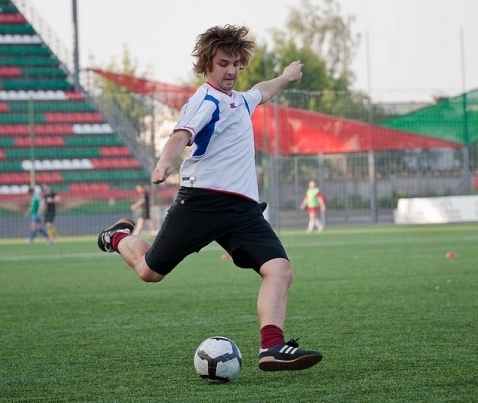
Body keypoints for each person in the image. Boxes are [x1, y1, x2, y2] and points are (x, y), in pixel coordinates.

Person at [97, 25, 322, 372]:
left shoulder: (240, 100)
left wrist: (285, 77)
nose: (231, 71)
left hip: (243, 209)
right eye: (223, 64)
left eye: (235, 64)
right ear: (206, 65)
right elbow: (180, 135)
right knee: (149, 271)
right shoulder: (205, 100)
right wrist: (164, 163)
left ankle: (272, 347)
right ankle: (117, 237)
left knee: (279, 269)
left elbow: (262, 91)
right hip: (202, 202)